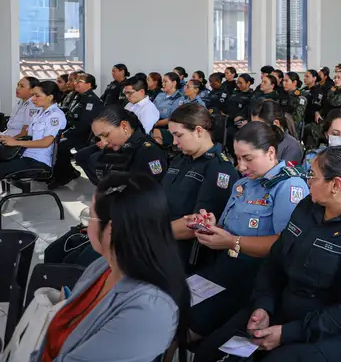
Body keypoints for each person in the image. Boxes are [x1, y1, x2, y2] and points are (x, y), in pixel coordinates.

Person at [192, 147, 341, 362]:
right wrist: (263, 305)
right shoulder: (308, 207)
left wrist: (287, 334)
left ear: (335, 185)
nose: (307, 181)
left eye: (312, 176)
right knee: (210, 351)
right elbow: (275, 261)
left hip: (332, 330)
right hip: (284, 308)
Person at [30, 172, 189, 362]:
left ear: (112, 230)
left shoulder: (148, 311)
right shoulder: (103, 266)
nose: (87, 225)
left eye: (91, 216)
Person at [186, 122, 310, 340]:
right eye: (238, 158)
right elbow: (228, 228)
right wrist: (212, 226)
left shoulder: (289, 186)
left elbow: (285, 246)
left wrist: (232, 241)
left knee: (191, 326)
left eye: (248, 158)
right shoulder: (243, 184)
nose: (241, 166)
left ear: (270, 152)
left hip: (256, 275)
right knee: (174, 306)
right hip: (224, 265)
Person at [45, 107, 171, 267]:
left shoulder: (148, 152)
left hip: (129, 229)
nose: (103, 142)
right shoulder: (119, 148)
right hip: (109, 221)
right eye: (99, 137)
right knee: (53, 252)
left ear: (124, 126)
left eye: (106, 135)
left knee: (74, 263)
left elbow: (145, 201)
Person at [161, 104, 240, 266]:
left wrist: (150, 233)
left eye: (179, 135)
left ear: (198, 131)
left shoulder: (219, 168)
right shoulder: (179, 160)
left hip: (186, 258)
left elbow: (199, 223)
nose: (175, 142)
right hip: (162, 246)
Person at [0, 81, 66, 180]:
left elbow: (45, 143)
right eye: (33, 95)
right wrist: (8, 138)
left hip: (37, 160)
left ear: (50, 97)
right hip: (25, 153)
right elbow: (29, 135)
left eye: (37, 96)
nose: (33, 99)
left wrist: (16, 142)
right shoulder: (40, 112)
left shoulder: (55, 115)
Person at [51, 73, 103, 187]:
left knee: (60, 146)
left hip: (83, 135)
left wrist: (65, 134)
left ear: (89, 84)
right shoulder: (77, 96)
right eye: (76, 81)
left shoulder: (92, 101)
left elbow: (84, 125)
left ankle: (63, 176)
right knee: (53, 142)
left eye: (80, 81)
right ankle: (68, 172)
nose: (76, 83)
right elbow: (68, 114)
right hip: (73, 130)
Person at [251, 100, 304, 165]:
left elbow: (287, 173)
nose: (255, 130)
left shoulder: (291, 146)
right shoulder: (259, 141)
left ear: (276, 123)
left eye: (260, 126)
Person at [152, 72, 184, 145]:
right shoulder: (160, 95)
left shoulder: (179, 99)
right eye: (162, 82)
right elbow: (151, 110)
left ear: (174, 83)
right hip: (154, 123)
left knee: (155, 139)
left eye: (165, 81)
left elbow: (172, 118)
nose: (163, 84)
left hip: (168, 128)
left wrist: (156, 124)